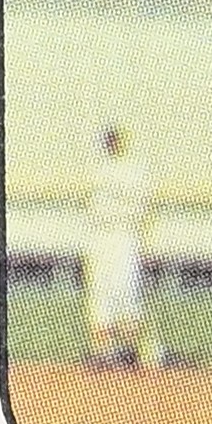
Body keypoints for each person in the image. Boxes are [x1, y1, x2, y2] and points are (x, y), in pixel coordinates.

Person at [81, 123, 153, 370]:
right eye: (108, 140)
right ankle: (103, 351)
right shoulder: (97, 169)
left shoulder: (134, 171)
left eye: (113, 140)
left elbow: (143, 208)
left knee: (126, 290)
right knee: (99, 292)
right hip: (99, 235)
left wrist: (145, 240)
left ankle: (129, 349)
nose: (111, 144)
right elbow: (89, 204)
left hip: (124, 235)